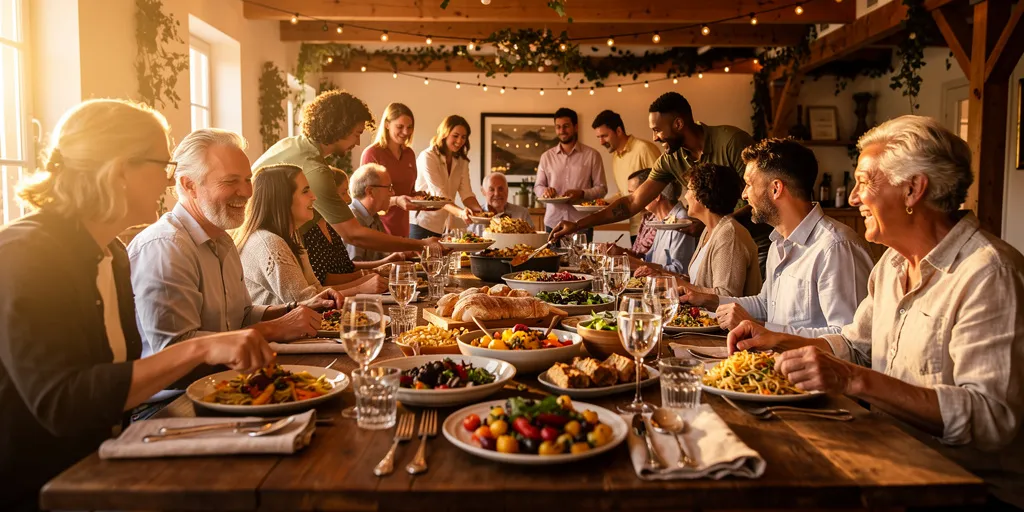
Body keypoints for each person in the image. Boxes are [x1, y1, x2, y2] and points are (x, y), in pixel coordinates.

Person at [728, 115, 1024, 510]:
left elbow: (992, 419)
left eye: (864, 182)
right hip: (888, 458)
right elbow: (855, 343)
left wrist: (852, 379)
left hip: (962, 489)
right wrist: (777, 339)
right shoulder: (891, 266)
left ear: (913, 189)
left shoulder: (989, 273)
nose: (852, 198)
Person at [0, 100, 276, 511]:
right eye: (162, 165)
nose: (170, 181)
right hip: (39, 486)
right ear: (118, 170)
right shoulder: (26, 254)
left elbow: (114, 378)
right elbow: (61, 403)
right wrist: (200, 347)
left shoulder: (111, 252)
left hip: (105, 460)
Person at [130, 129, 342, 359]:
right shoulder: (166, 247)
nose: (247, 192)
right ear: (190, 185)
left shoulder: (223, 239)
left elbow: (242, 315)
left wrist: (296, 309)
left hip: (229, 378)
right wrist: (275, 328)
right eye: (231, 181)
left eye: (248, 180)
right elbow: (175, 353)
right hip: (179, 393)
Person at [550, 93, 771, 276]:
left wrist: (713, 226)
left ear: (678, 123)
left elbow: (762, 198)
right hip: (715, 245)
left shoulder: (731, 141)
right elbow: (632, 202)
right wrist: (577, 225)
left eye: (657, 129)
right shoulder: (670, 159)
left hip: (757, 245)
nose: (654, 137)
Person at [681, 138, 873, 337]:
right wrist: (705, 299)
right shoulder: (779, 242)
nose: (744, 195)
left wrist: (761, 328)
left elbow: (848, 340)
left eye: (748, 184)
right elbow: (766, 304)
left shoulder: (835, 247)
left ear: (776, 188)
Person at [253, 91, 442, 255]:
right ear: (340, 129)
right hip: (265, 250)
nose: (358, 142)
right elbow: (353, 234)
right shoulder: (316, 170)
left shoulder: (291, 144)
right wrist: (421, 244)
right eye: (357, 133)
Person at [235, 164, 387, 305]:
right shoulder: (270, 243)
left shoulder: (292, 236)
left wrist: (363, 282)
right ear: (283, 199)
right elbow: (307, 302)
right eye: (305, 191)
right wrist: (361, 289)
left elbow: (316, 290)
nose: (314, 196)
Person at [648, 162, 761, 297]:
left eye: (689, 189)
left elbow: (726, 295)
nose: (685, 196)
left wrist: (679, 284)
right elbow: (698, 283)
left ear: (703, 196)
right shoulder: (709, 230)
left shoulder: (729, 235)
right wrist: (662, 276)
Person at [303, 167, 404, 286]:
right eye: (343, 193)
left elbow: (347, 266)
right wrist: (367, 277)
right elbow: (322, 281)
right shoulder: (314, 230)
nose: (348, 199)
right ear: (326, 197)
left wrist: (382, 265)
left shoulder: (331, 226)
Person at [534, 108, 607, 241]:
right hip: (553, 222)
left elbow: (602, 188)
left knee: (581, 261)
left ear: (576, 127)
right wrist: (546, 191)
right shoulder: (546, 157)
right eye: (558, 127)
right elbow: (538, 187)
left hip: (581, 223)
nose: (562, 131)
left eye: (566, 126)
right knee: (553, 261)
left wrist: (582, 194)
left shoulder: (592, 155)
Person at [592, 109, 662, 244]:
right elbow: (623, 193)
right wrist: (603, 203)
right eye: (598, 137)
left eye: (604, 136)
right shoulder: (615, 158)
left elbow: (664, 186)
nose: (601, 142)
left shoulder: (644, 149)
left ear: (618, 131)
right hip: (635, 228)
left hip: (654, 227)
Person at [360, 102, 427, 238]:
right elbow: (364, 198)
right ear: (386, 124)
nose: (406, 132)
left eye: (409, 127)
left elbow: (408, 192)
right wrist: (396, 201)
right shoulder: (372, 153)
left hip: (403, 230)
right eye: (400, 127)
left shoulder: (409, 154)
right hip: (379, 229)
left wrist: (423, 199)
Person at [413, 115, 483, 237]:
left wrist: (481, 214)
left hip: (444, 226)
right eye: (455, 136)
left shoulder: (462, 161)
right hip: (421, 223)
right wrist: (461, 213)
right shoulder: (428, 156)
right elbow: (439, 196)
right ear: (444, 134)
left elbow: (467, 194)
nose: (460, 141)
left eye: (463, 137)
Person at [346, 163, 400, 263]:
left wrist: (402, 251)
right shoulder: (352, 220)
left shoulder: (374, 217)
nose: (392, 193)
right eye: (389, 187)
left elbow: (382, 252)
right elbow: (353, 268)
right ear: (370, 191)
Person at [467, 172, 535, 236]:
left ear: (507, 191)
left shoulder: (522, 213)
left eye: (501, 189)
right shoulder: (475, 215)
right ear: (483, 192)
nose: (496, 194)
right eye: (492, 189)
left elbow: (533, 238)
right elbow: (470, 242)